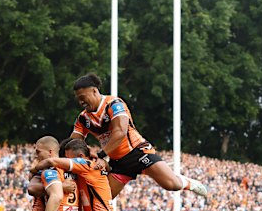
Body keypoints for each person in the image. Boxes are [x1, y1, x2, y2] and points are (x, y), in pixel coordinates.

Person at [69, 73, 207, 199]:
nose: (81, 102)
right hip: (118, 162)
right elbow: (73, 143)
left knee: (172, 185)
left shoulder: (114, 104)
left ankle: (188, 182)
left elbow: (120, 132)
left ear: (94, 91)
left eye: (83, 97)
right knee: (101, 201)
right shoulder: (83, 118)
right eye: (78, 99)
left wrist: (100, 155)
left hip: (138, 152)